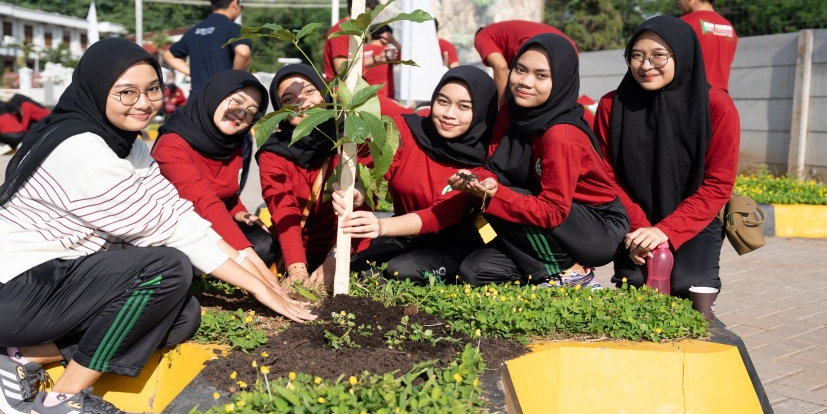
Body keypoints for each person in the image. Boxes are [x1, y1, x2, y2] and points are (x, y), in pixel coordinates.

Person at [0, 38, 314, 414]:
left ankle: (19, 357)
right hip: (5, 292)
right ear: (96, 87)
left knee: (181, 315)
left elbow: (178, 212)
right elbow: (169, 232)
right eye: (126, 92)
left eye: (152, 89)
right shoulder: (83, 151)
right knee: (166, 267)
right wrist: (260, 288)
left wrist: (260, 277)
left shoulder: (127, 145)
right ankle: (60, 404)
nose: (143, 102)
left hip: (53, 284)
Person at [449, 34, 629, 288]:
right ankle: (549, 271)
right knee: (474, 271)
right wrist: (478, 181)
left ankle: (569, 272)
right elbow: (492, 169)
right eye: (520, 69)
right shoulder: (511, 112)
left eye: (541, 75)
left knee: (497, 199)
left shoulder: (561, 136)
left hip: (594, 228)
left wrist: (493, 192)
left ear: (561, 80)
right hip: (543, 221)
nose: (525, 82)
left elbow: (554, 211)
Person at [594, 16, 740, 300]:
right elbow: (604, 175)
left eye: (658, 56)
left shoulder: (717, 106)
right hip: (633, 215)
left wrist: (666, 230)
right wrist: (640, 227)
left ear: (682, 54)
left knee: (689, 287)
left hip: (694, 216)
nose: (646, 66)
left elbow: (718, 184)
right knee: (635, 281)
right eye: (636, 55)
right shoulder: (612, 105)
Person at [336, 67, 499, 282]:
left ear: (481, 112)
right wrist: (359, 192)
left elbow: (442, 214)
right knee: (358, 268)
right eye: (443, 101)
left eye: (464, 107)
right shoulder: (406, 130)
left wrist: (382, 226)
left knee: (400, 271)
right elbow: (380, 173)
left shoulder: (485, 161)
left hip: (456, 242)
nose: (449, 114)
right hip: (405, 235)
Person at [152, 70, 281, 280]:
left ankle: (228, 272)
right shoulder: (173, 145)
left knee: (263, 242)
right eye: (236, 102)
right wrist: (258, 270)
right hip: (178, 233)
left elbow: (226, 193)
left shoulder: (232, 141)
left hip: (213, 223)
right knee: (246, 253)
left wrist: (239, 211)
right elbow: (205, 203)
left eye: (251, 112)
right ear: (216, 95)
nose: (241, 114)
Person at [256, 64, 370, 287]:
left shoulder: (349, 137)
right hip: (296, 250)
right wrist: (297, 269)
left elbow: (361, 206)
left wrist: (335, 256)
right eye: (289, 100)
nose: (303, 103)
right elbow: (283, 210)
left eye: (310, 91)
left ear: (324, 92)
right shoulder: (274, 153)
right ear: (280, 110)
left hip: (346, 245)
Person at [162, 0, 251, 94]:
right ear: (234, 4)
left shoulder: (194, 30)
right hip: (220, 98)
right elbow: (243, 52)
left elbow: (169, 56)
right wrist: (231, 80)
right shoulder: (233, 28)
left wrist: (194, 73)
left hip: (196, 100)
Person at [474, 20, 576, 103]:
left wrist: (500, 108)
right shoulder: (500, 30)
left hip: (540, 46)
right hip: (571, 50)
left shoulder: (481, 36)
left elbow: (500, 66)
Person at [676, 0, 737, 92]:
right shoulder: (729, 27)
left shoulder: (683, 24)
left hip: (691, 97)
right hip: (720, 100)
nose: (678, 2)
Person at [323, 0, 380, 82]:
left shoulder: (352, 31)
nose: (371, 17)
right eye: (369, 12)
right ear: (354, 9)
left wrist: (378, 58)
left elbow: (355, 65)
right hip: (344, 92)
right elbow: (342, 71)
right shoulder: (342, 30)